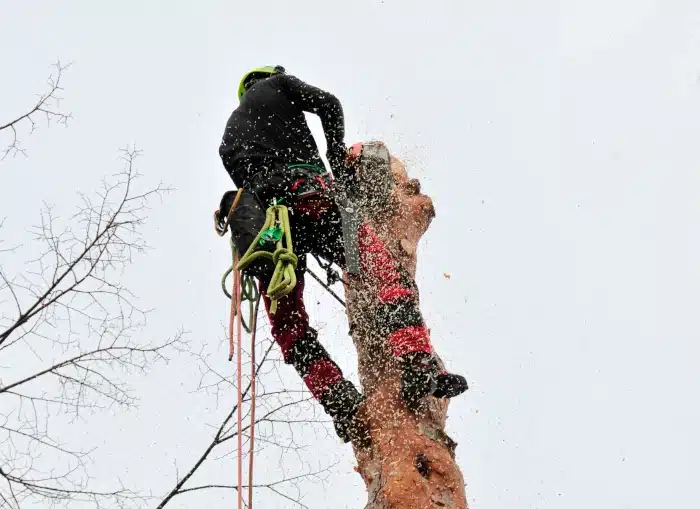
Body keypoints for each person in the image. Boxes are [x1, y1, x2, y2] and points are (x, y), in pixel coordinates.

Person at [217, 66, 467, 443]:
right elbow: (328, 105)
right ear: (267, 77)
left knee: (289, 327)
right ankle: (416, 364)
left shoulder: (227, 141)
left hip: (272, 230)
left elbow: (249, 189)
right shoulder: (277, 85)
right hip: (311, 195)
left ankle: (343, 406)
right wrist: (336, 155)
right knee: (384, 271)